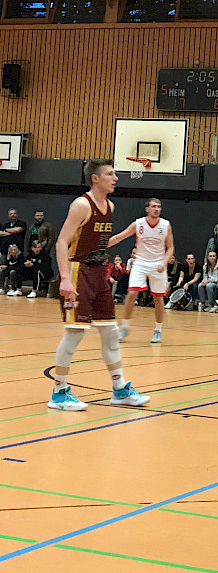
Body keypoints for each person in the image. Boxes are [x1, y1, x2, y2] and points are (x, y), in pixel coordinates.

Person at [49, 158, 149, 411]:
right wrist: (64, 278)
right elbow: (62, 242)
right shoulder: (82, 204)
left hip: (97, 272)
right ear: (96, 178)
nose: (115, 178)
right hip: (77, 270)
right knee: (74, 333)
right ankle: (58, 392)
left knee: (110, 333)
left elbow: (99, 244)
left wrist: (127, 235)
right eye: (110, 174)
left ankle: (119, 389)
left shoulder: (110, 206)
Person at [109, 198, 174, 344]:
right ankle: (125, 327)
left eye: (159, 206)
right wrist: (103, 244)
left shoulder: (165, 225)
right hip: (140, 263)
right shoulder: (138, 224)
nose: (156, 209)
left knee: (158, 298)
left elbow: (170, 247)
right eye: (153, 206)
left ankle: (158, 330)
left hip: (158, 264)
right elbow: (121, 236)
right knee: (132, 293)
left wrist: (164, 262)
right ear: (147, 209)